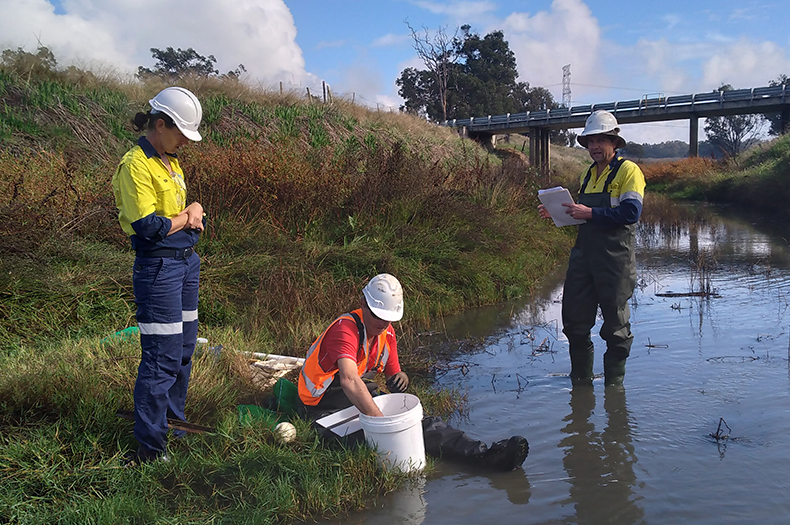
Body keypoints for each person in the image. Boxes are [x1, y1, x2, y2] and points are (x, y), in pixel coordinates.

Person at [298, 273, 529, 471]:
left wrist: (401, 379)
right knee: (366, 439)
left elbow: (394, 374)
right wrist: (381, 422)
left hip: (359, 399)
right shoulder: (345, 330)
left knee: (421, 424)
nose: (382, 323)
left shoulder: (386, 335)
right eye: (378, 316)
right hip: (324, 407)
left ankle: (486, 455)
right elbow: (349, 380)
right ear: (363, 304)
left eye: (388, 319)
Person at [112, 86, 205, 463]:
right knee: (161, 357)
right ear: (161, 124)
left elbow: (177, 219)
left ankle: (172, 424)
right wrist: (188, 215)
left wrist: (188, 214)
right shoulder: (135, 164)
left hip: (186, 264)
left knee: (183, 349)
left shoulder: (172, 162)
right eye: (181, 133)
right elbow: (148, 227)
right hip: (159, 268)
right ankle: (150, 449)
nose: (184, 142)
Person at [538, 110, 645, 386]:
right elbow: (582, 213)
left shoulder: (629, 171)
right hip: (583, 257)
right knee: (574, 322)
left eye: (601, 141)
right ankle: (581, 386)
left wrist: (590, 214)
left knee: (616, 328)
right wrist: (558, 213)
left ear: (614, 142)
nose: (595, 147)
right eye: (590, 142)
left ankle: (614, 389)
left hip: (615, 260)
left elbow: (631, 213)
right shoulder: (587, 174)